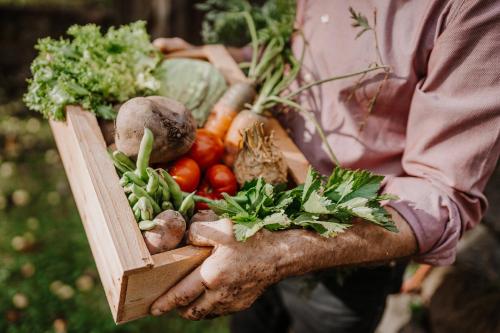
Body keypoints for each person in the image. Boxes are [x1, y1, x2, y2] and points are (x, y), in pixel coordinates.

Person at [150, 1, 500, 332]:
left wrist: (279, 252)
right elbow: (303, 59)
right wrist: (230, 59)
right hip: (249, 214)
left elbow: (440, 194)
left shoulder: (473, 10)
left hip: (347, 250)